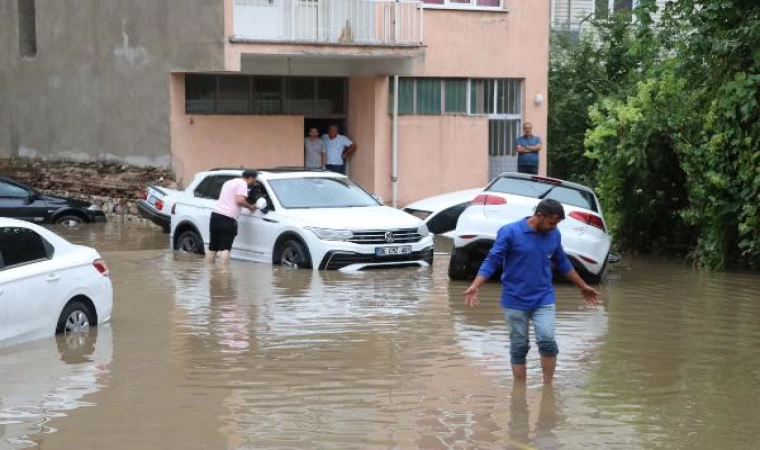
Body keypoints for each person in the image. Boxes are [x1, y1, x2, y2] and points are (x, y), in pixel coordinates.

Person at [464, 199, 599, 385]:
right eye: (552, 222)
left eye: (557, 223)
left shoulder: (554, 234)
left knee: (548, 341)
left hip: (543, 298)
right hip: (514, 299)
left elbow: (562, 262)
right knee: (519, 346)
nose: (554, 227)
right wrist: (476, 285)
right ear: (539, 216)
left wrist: (583, 286)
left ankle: (548, 388)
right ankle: (519, 391)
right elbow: (492, 260)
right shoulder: (510, 231)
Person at [205, 170, 259, 265]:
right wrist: (250, 206)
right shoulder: (242, 184)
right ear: (250, 178)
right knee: (225, 248)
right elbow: (240, 200)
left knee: (213, 247)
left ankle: (210, 273)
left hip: (215, 215)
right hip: (227, 218)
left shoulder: (229, 182)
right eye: (254, 181)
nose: (254, 183)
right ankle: (224, 276)